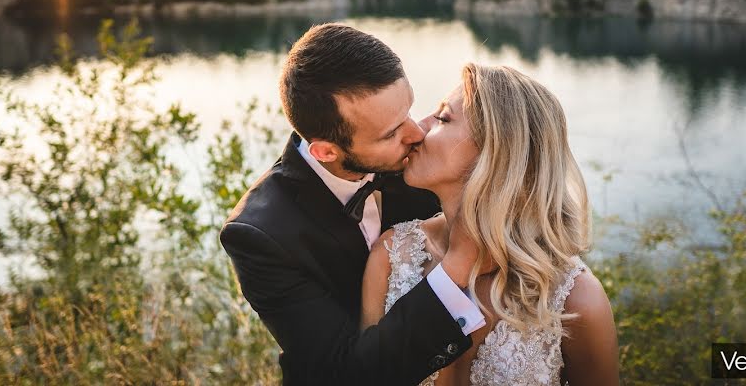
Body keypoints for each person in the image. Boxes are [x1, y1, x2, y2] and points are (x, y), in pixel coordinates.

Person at [220, 23, 487, 386]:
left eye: (408, 111)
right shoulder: (260, 235)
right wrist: (455, 265)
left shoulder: (424, 165)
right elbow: (347, 373)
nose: (416, 134)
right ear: (327, 151)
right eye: (391, 133)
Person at [361, 63, 620, 385]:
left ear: (497, 151)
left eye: (442, 118)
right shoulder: (393, 255)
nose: (417, 129)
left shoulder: (575, 299)